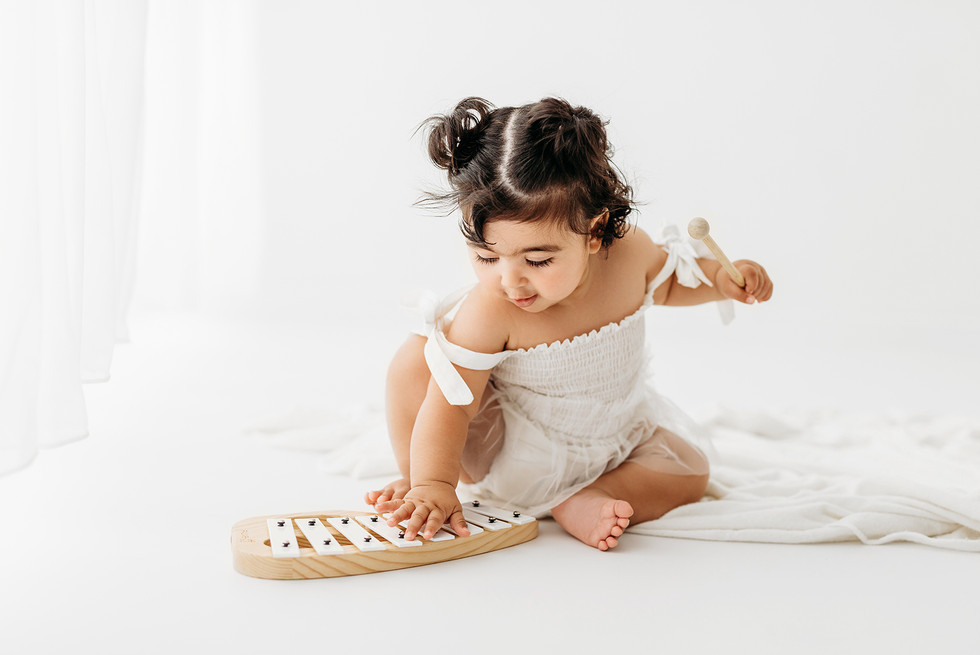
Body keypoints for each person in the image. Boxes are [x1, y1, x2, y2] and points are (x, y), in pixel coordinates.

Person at [365, 97, 773, 550]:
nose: (508, 279)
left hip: (615, 433)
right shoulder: (493, 308)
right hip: (513, 453)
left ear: (596, 232)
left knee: (692, 471)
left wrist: (720, 279)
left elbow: (672, 282)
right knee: (417, 363)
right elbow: (454, 406)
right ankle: (415, 480)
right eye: (485, 256)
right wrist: (434, 482)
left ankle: (593, 496)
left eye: (537, 260)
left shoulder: (631, 255)